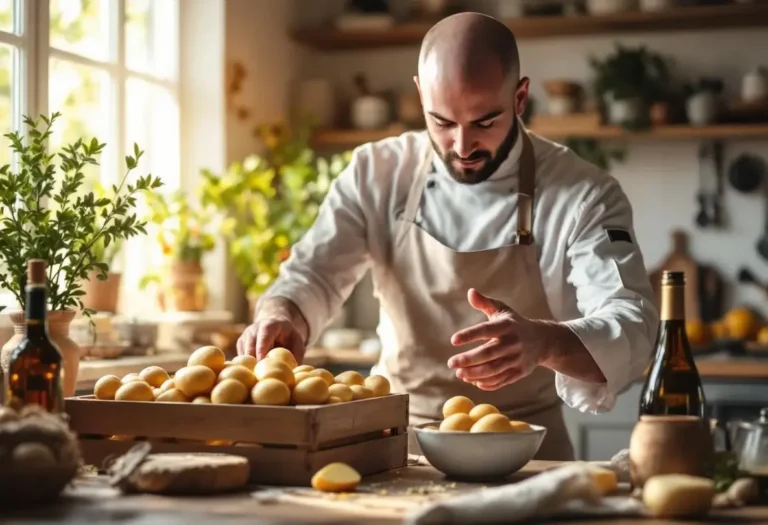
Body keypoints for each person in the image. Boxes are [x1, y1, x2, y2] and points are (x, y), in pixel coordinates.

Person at [237, 12, 659, 460]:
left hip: (528, 449)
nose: (462, 146)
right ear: (420, 95)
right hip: (395, 446)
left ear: (520, 98)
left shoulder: (584, 193)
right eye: (442, 122)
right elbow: (313, 274)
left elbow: (633, 323)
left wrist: (546, 342)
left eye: (484, 121)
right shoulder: (376, 173)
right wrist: (283, 314)